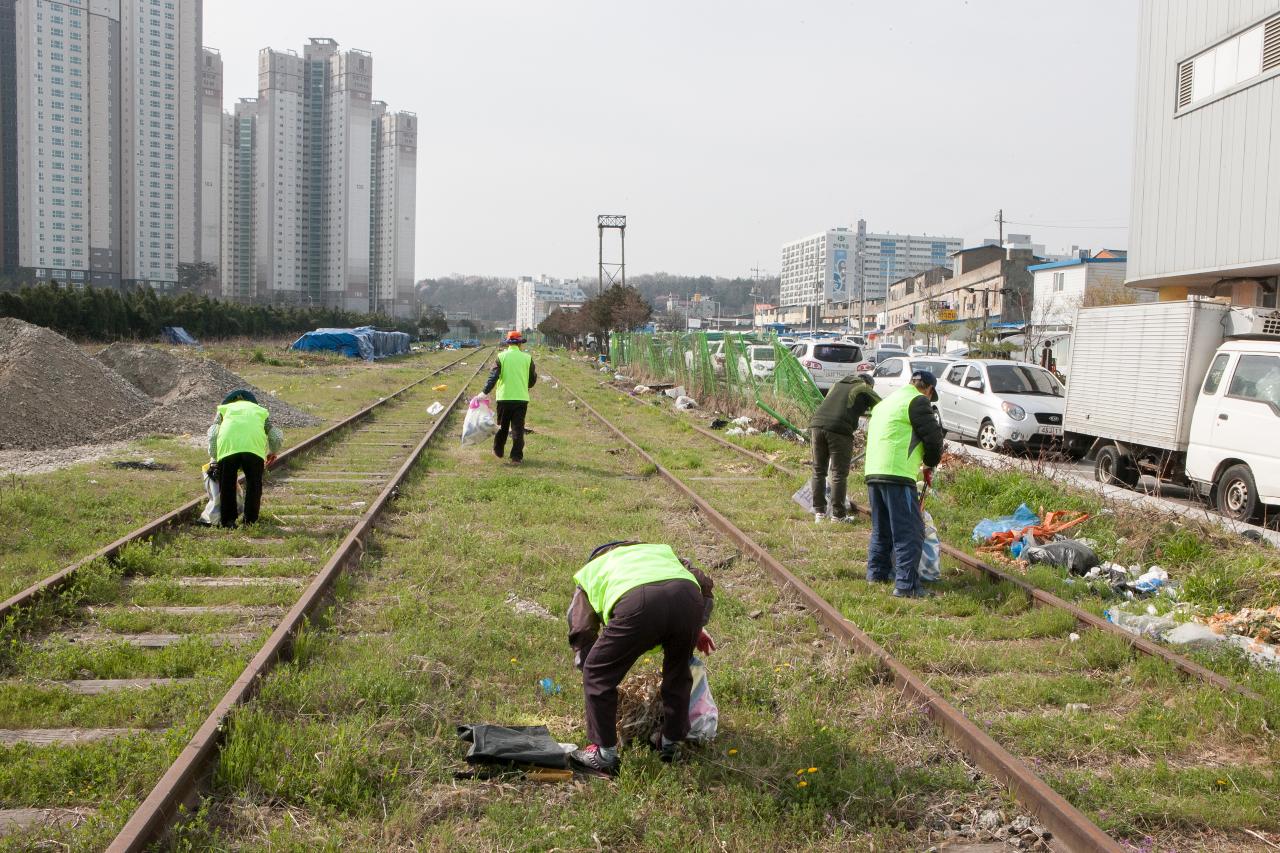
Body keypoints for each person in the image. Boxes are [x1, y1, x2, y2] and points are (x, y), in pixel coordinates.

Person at [566, 541, 716, 776]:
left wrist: (590, 667)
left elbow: (582, 629)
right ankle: (671, 744)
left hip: (639, 604)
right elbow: (704, 582)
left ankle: (603, 755)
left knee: (597, 671)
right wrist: (696, 625)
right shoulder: (658, 552)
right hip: (687, 597)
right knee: (678, 671)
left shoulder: (592, 571)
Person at [863, 370, 944, 597]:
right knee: (910, 531)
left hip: (873, 471)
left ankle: (876, 575)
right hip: (897, 474)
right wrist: (929, 463)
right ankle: (906, 586)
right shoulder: (917, 401)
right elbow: (934, 439)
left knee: (882, 529)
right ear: (928, 389)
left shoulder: (886, 402)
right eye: (930, 395)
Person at [808, 372, 880, 524]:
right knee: (839, 473)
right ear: (869, 384)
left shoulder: (837, 384)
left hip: (816, 425)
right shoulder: (864, 387)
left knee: (818, 470)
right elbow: (884, 406)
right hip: (839, 429)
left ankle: (819, 514)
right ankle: (838, 515)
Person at [207, 389, 283, 529]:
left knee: (227, 485)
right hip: (253, 450)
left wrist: (215, 457)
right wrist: (272, 452)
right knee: (254, 485)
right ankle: (250, 521)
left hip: (228, 448)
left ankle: (228, 522)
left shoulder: (224, 409)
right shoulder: (259, 410)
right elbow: (276, 436)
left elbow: (212, 435)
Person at [482, 330, 537, 464]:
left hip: (504, 398)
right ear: (520, 344)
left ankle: (498, 451)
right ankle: (516, 458)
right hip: (521, 399)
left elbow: (493, 377)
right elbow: (533, 378)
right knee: (518, 428)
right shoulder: (527, 358)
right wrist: (526, 385)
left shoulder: (501, 357)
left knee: (502, 426)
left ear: (508, 343)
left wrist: (484, 392)